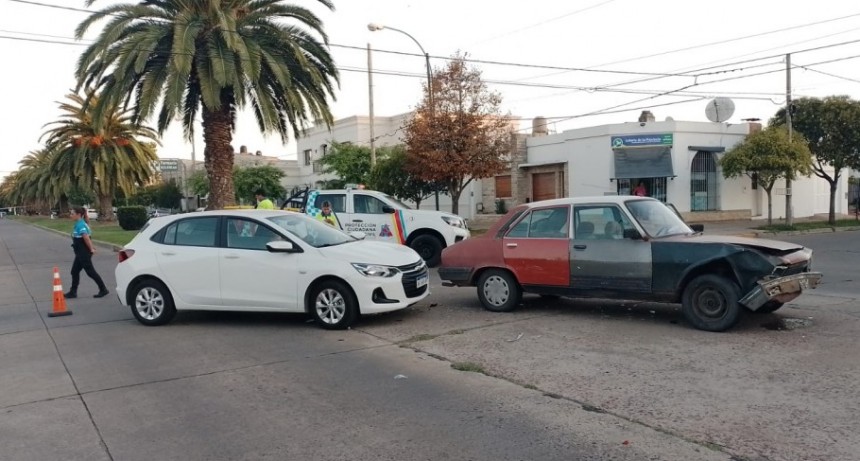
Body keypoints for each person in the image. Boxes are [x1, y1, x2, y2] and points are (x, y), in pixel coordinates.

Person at [65, 206, 109, 299]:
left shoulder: (81, 224)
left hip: (83, 252)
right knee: (74, 271)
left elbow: (86, 237)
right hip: (80, 252)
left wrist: (91, 248)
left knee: (90, 271)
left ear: (79, 215)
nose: (70, 215)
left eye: (72, 214)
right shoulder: (80, 223)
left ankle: (103, 289)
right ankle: (73, 292)